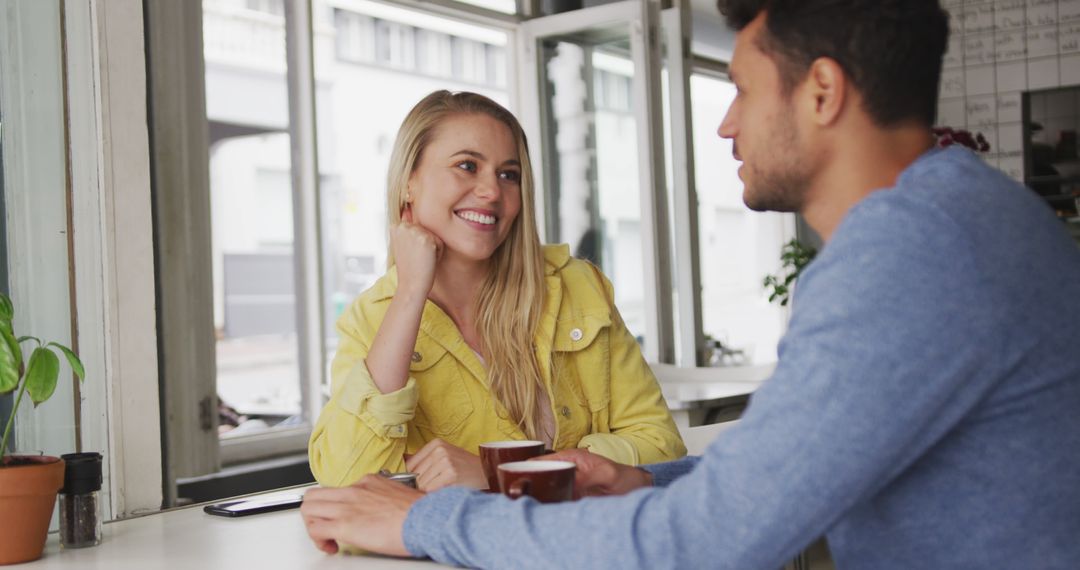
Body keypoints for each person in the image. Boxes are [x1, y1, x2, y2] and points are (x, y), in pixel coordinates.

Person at [301, 1, 1080, 567]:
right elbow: (781, 476)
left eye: (741, 88)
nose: (726, 123)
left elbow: (703, 542)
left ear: (822, 92)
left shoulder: (908, 255)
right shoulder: (967, 217)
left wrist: (424, 523)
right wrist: (637, 477)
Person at [308, 90, 685, 492]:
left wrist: (503, 475)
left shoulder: (578, 288)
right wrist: (410, 293)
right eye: (467, 166)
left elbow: (661, 445)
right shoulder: (371, 319)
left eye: (509, 175)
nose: (492, 191)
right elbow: (346, 479)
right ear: (409, 183)